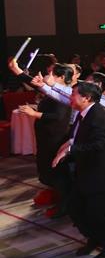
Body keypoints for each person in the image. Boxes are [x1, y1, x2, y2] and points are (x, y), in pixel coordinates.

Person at [52, 82, 105, 258]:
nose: (70, 97)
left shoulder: (99, 116)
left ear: (86, 98)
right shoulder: (84, 113)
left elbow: (97, 146)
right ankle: (94, 237)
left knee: (99, 212)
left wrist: (70, 150)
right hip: (88, 170)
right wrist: (68, 145)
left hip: (103, 172)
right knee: (75, 207)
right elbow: (76, 137)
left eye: (74, 94)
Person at [8, 59, 73, 218]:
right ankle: (60, 200)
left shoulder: (65, 93)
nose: (46, 75)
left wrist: (34, 113)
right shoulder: (53, 90)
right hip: (47, 136)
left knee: (56, 172)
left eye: (51, 73)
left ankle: (65, 205)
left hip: (55, 138)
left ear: (61, 78)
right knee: (47, 169)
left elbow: (58, 116)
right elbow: (37, 84)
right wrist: (17, 71)